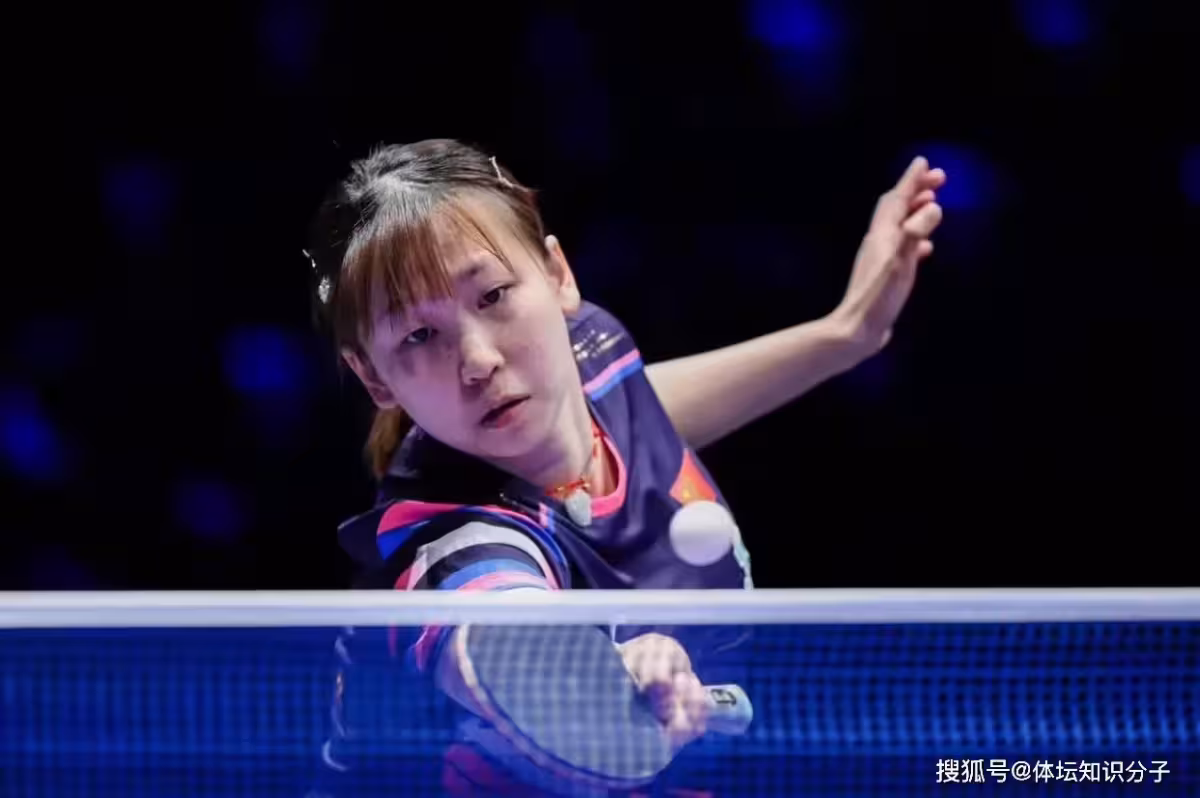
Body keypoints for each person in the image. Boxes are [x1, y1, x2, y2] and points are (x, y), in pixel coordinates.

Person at [304, 138, 945, 796]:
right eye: (418, 335)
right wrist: (606, 676)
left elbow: (631, 408)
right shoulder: (447, 538)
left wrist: (845, 335)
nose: (479, 360)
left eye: (492, 295)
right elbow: (500, 636)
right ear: (372, 377)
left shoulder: (590, 350)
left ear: (557, 276)